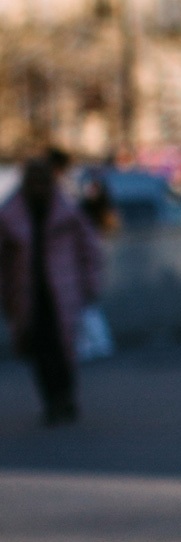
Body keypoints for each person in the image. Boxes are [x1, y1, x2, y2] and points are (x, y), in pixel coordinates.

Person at [0, 154, 106, 425]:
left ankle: (65, 398)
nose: (36, 186)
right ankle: (52, 400)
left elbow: (89, 249)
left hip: (63, 289)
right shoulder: (12, 214)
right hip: (28, 292)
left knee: (63, 347)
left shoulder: (66, 211)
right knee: (38, 348)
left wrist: (89, 282)